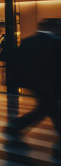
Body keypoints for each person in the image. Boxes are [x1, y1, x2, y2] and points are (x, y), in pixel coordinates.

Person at [6, 18, 61, 152]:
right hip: (49, 84)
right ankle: (15, 126)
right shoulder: (55, 42)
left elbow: (15, 62)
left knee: (48, 109)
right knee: (49, 109)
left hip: (36, 83)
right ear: (53, 28)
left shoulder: (28, 41)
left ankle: (15, 126)